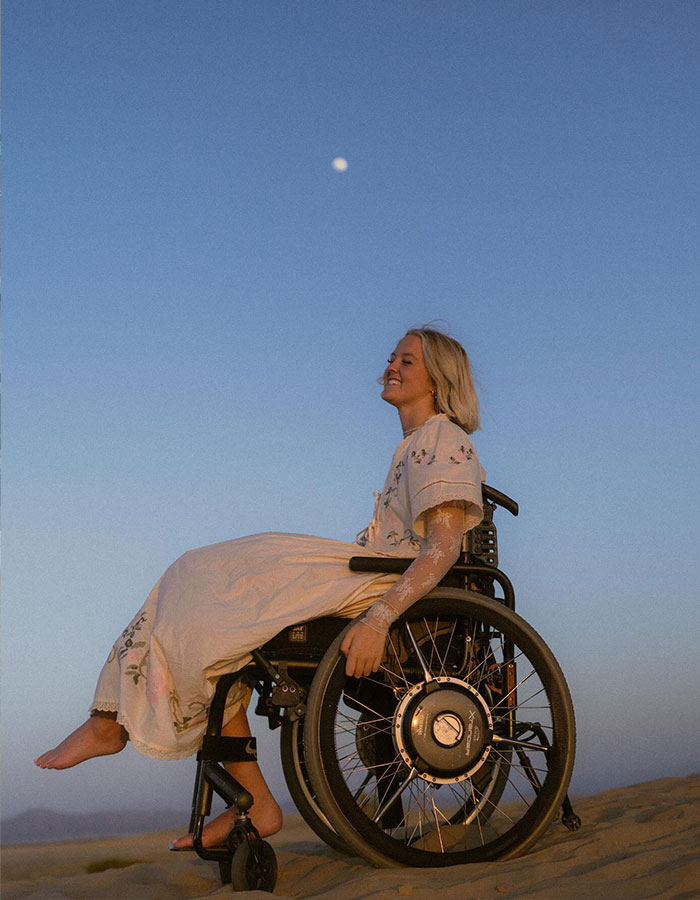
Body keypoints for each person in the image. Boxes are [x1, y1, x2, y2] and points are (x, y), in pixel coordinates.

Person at [35, 326, 486, 849]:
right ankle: (127, 729)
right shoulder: (413, 446)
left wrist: (380, 619)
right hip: (370, 574)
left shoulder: (443, 438)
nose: (391, 366)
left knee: (205, 583)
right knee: (205, 595)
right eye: (392, 357)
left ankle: (111, 723)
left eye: (407, 360)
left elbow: (444, 548)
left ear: (438, 378)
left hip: (384, 587)